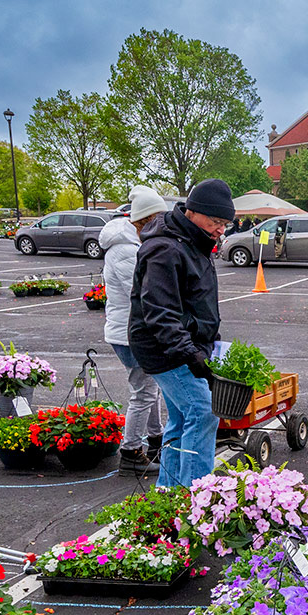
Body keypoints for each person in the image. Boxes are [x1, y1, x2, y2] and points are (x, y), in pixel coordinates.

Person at [128, 178, 236, 490]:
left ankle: (169, 490)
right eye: (215, 221)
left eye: (224, 223)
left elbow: (195, 301)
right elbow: (161, 314)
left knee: (180, 418)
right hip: (165, 348)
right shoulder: (165, 249)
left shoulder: (193, 242)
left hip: (185, 345)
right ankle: (196, 497)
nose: (220, 229)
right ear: (192, 212)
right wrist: (193, 356)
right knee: (203, 412)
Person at [102, 188, 168, 472]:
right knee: (143, 392)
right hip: (130, 332)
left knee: (149, 388)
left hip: (130, 329)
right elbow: (144, 291)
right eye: (158, 218)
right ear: (146, 218)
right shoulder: (125, 250)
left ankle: (156, 439)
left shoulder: (134, 244)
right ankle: (130, 453)